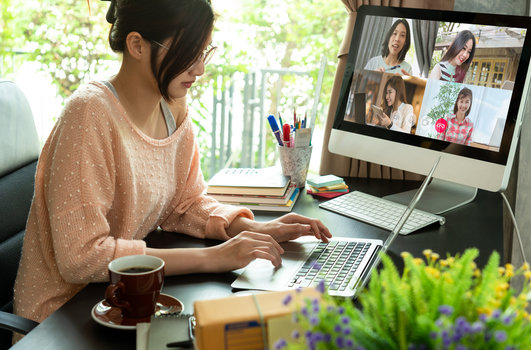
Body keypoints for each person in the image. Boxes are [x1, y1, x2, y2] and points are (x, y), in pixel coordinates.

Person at [13, 0, 332, 330]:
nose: (199, 69)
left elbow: (184, 203)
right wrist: (215, 257)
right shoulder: (89, 114)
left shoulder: (173, 108)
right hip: (61, 320)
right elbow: (81, 258)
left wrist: (253, 229)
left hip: (126, 300)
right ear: (137, 44)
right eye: (189, 53)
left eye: (204, 52)